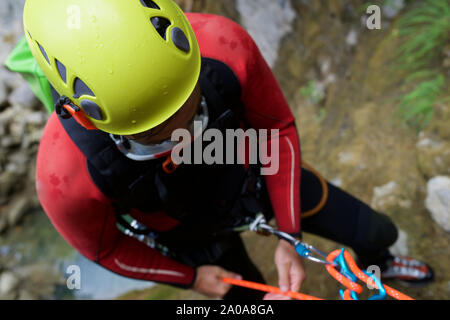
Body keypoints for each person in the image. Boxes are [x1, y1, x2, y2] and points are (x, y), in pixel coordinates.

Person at [12, 0, 433, 299]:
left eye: (192, 108)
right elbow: (105, 248)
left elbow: (277, 129)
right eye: (158, 135)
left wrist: (289, 233)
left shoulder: (222, 46)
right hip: (185, 231)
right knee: (241, 296)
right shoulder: (64, 175)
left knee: (378, 231)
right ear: (87, 119)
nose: (186, 138)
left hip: (250, 174)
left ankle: (383, 263)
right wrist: (190, 277)